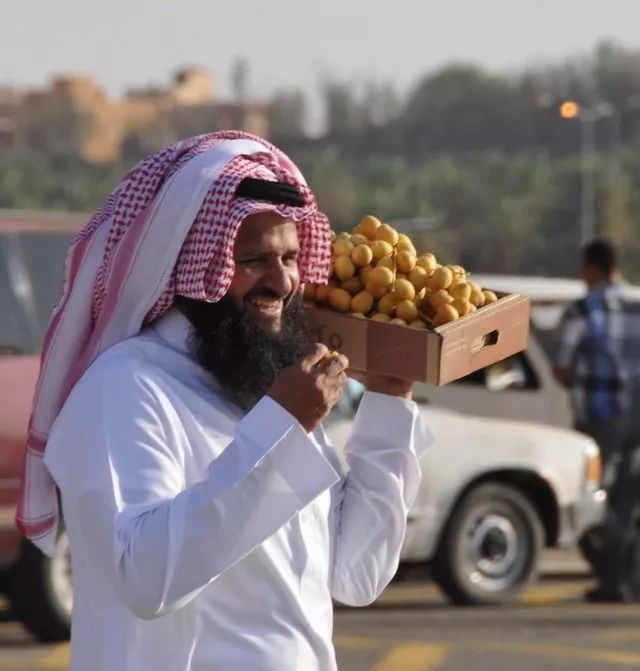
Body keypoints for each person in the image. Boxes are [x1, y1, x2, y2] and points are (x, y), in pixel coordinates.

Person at [15, 131, 430, 670]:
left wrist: (390, 400)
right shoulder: (126, 389)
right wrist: (282, 428)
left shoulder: (261, 383)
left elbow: (356, 574)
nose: (281, 282)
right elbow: (146, 579)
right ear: (192, 265)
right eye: (254, 259)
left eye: (290, 257)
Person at [553, 238, 640, 602]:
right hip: (636, 418)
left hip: (600, 420)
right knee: (627, 500)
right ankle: (626, 582)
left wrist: (586, 383)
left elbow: (561, 368)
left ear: (590, 269)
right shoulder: (638, 304)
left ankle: (612, 583)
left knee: (596, 501)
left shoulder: (582, 311)